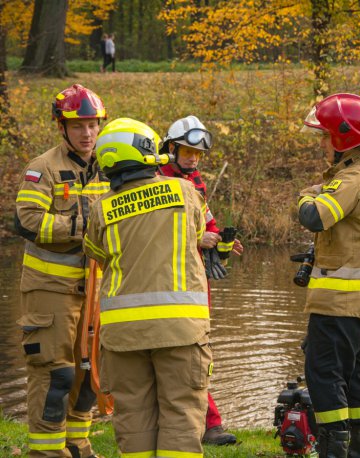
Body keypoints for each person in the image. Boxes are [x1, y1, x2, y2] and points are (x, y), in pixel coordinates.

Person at [83, 118, 212, 456]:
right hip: (180, 329)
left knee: (133, 415)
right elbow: (199, 235)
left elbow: (95, 252)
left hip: (123, 334)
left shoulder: (101, 209)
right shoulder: (185, 192)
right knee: (181, 413)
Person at [14, 83, 109, 458]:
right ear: (62, 127)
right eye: (78, 126)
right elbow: (26, 220)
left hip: (95, 288)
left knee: (87, 374)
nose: (87, 133)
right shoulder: (43, 167)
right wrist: (82, 226)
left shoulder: (109, 165)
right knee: (56, 373)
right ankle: (46, 452)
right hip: (50, 288)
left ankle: (78, 446)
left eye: (93, 125)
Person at [297, 93, 360, 458]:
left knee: (325, 378)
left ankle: (333, 449)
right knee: (358, 381)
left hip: (340, 303)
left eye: (324, 136)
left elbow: (314, 216)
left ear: (342, 138)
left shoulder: (353, 178)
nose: (321, 144)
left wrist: (306, 195)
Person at [159, 115, 243, 446]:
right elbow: (157, 234)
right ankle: (208, 424)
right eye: (187, 151)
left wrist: (219, 239)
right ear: (170, 148)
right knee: (186, 352)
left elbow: (207, 221)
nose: (193, 158)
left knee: (198, 350)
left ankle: (206, 423)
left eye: (197, 153)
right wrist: (198, 239)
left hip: (193, 280)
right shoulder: (155, 181)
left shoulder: (196, 182)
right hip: (166, 282)